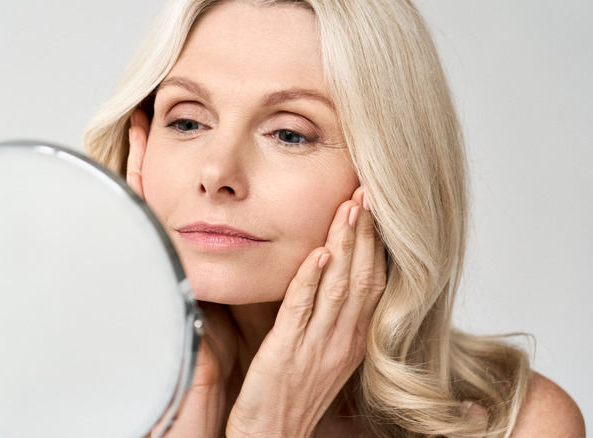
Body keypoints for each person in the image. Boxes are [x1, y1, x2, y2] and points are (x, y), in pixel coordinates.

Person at [84, 0, 585, 436]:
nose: (216, 172)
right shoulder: (62, 401)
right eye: (188, 121)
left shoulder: (514, 425)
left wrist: (269, 429)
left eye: (289, 134)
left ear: (390, 173)